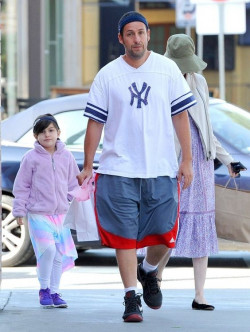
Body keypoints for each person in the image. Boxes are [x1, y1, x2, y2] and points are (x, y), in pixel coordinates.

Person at [77, 12, 196, 322]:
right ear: (121, 38)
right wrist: (89, 165)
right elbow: (95, 123)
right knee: (124, 235)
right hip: (118, 169)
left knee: (164, 234)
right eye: (129, 34)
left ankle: (149, 270)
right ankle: (131, 297)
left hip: (160, 167)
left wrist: (186, 160)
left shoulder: (167, 69)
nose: (136, 39)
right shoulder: (107, 75)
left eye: (141, 33)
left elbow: (181, 116)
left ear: (148, 36)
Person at [157, 34, 239, 311]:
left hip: (201, 164)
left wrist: (227, 159)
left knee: (200, 227)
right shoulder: (162, 82)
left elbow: (206, 128)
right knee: (169, 225)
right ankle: (154, 279)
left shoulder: (199, 81)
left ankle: (200, 294)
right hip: (171, 163)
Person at [13, 114, 79, 308]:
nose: (47, 135)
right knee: (47, 250)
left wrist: (70, 200)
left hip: (61, 214)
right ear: (36, 136)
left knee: (58, 254)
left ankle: (55, 292)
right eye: (41, 132)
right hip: (38, 213)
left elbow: (73, 182)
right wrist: (19, 211)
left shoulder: (67, 156)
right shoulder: (30, 158)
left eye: (50, 130)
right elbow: (21, 186)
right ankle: (44, 289)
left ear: (58, 133)